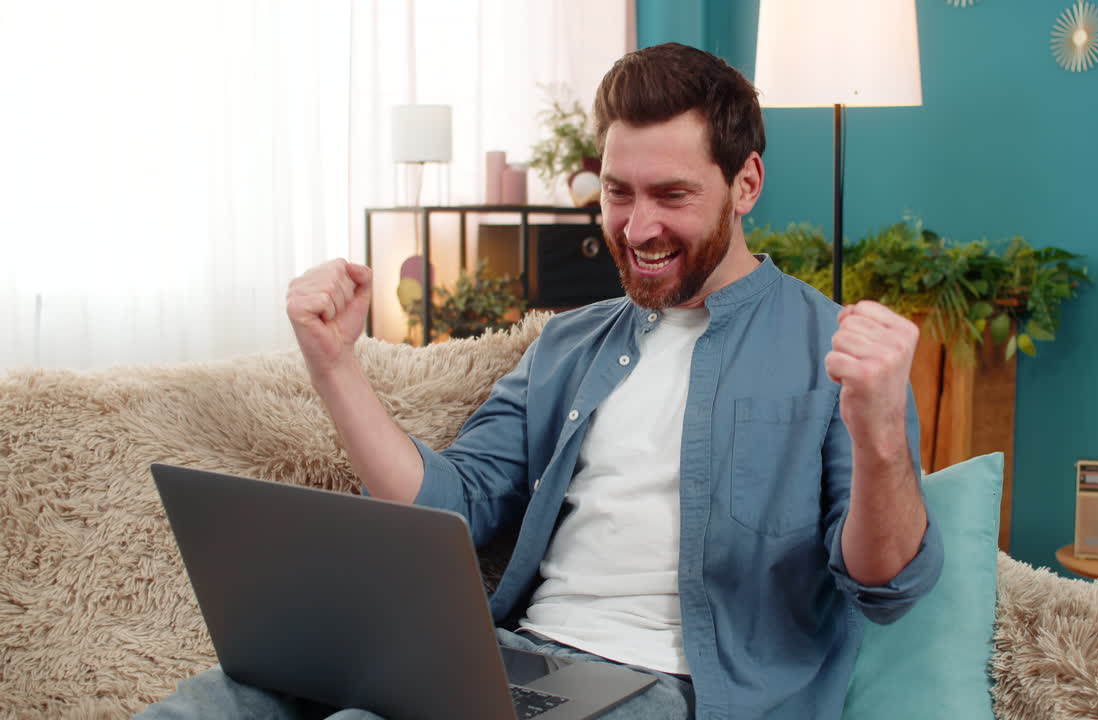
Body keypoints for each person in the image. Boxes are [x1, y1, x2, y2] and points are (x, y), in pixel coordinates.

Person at [138, 42, 942, 720]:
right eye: (619, 193)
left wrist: (877, 436)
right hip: (518, 659)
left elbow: (888, 586)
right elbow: (449, 506)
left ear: (746, 184)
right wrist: (333, 362)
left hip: (671, 689)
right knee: (223, 698)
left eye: (672, 195)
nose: (639, 227)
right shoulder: (568, 344)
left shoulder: (831, 352)